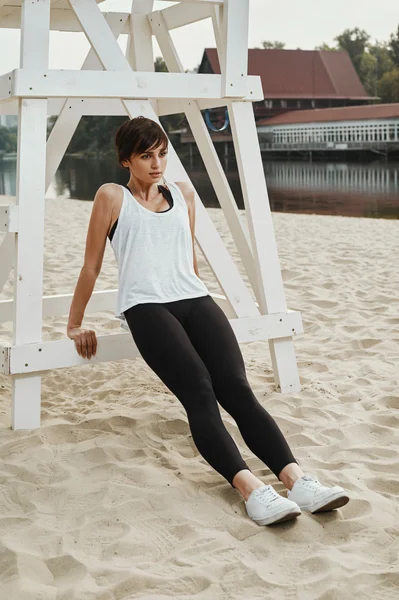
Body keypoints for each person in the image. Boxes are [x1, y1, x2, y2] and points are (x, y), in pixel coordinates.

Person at [67, 116, 349, 526]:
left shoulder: (183, 194)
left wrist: (200, 306)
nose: (157, 163)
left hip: (194, 298)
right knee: (199, 389)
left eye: (162, 153)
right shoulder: (111, 196)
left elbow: (189, 257)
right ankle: (252, 489)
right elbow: (91, 266)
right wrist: (75, 324)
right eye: (146, 156)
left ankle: (298, 480)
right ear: (126, 160)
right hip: (146, 306)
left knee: (236, 387)